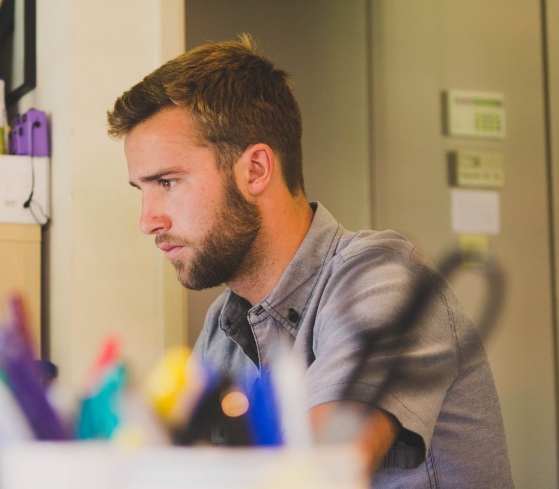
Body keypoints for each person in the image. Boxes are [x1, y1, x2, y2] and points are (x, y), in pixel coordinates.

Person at [107, 35, 513, 488]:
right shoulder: (224, 325)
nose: (148, 221)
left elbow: (321, 474)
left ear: (256, 170)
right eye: (140, 190)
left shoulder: (384, 279)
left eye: (166, 182)